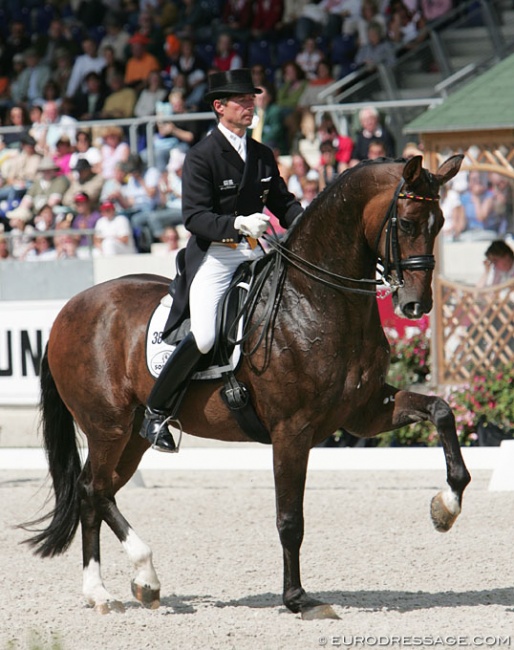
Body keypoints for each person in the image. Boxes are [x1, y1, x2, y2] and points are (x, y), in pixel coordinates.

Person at [139, 68, 303, 452]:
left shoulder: (262, 154)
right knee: (207, 335)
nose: (250, 106)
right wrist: (237, 223)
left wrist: (313, 225)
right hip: (217, 255)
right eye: (242, 101)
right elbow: (194, 217)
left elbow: (284, 204)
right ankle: (156, 411)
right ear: (220, 107)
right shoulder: (202, 156)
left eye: (252, 99)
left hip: (256, 254)